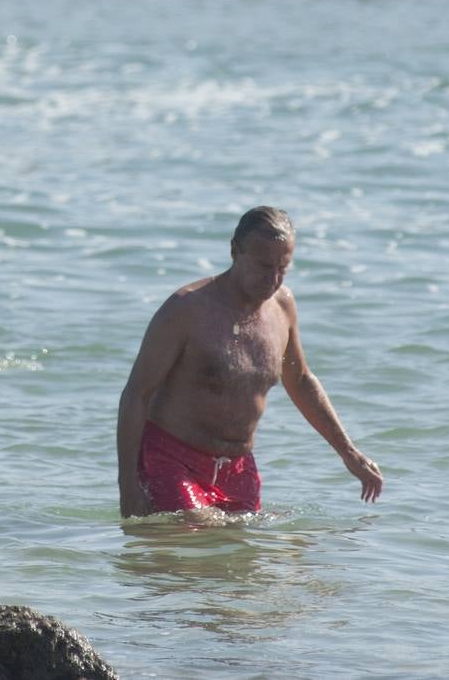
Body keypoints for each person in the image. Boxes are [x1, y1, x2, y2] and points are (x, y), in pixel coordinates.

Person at [116, 206, 383, 517]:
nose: (272, 279)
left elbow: (299, 380)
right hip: (174, 461)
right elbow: (136, 395)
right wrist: (128, 485)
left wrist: (349, 453)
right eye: (263, 266)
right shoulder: (185, 310)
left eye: (282, 268)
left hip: (239, 469)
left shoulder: (283, 306)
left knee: (247, 558)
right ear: (235, 251)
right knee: (192, 540)